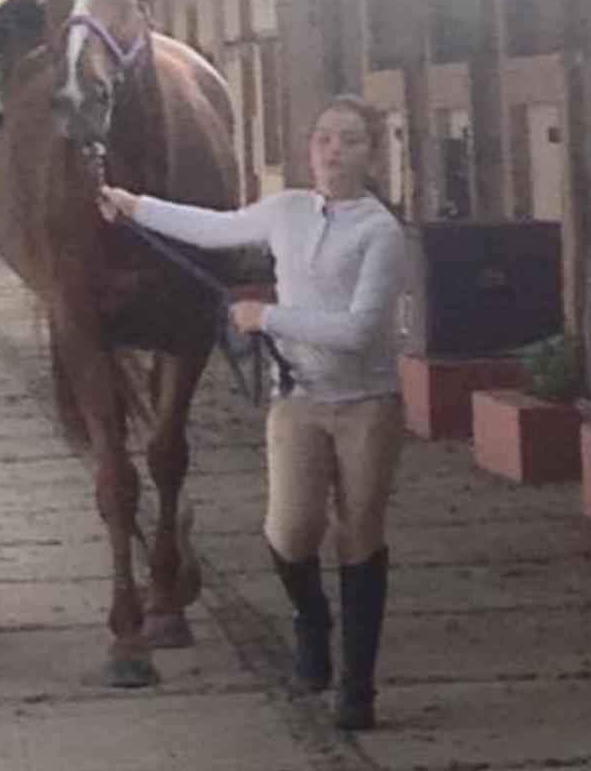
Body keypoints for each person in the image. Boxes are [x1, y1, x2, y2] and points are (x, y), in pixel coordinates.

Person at [99, 94, 406, 731]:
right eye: (324, 138)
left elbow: (359, 328)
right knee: (291, 533)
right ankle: (312, 619)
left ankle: (358, 683)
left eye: (350, 140)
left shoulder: (381, 232)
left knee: (360, 534)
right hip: (298, 399)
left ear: (372, 154)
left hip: (366, 405)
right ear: (310, 149)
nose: (333, 150)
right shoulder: (288, 211)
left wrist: (266, 317)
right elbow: (213, 227)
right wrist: (133, 206)